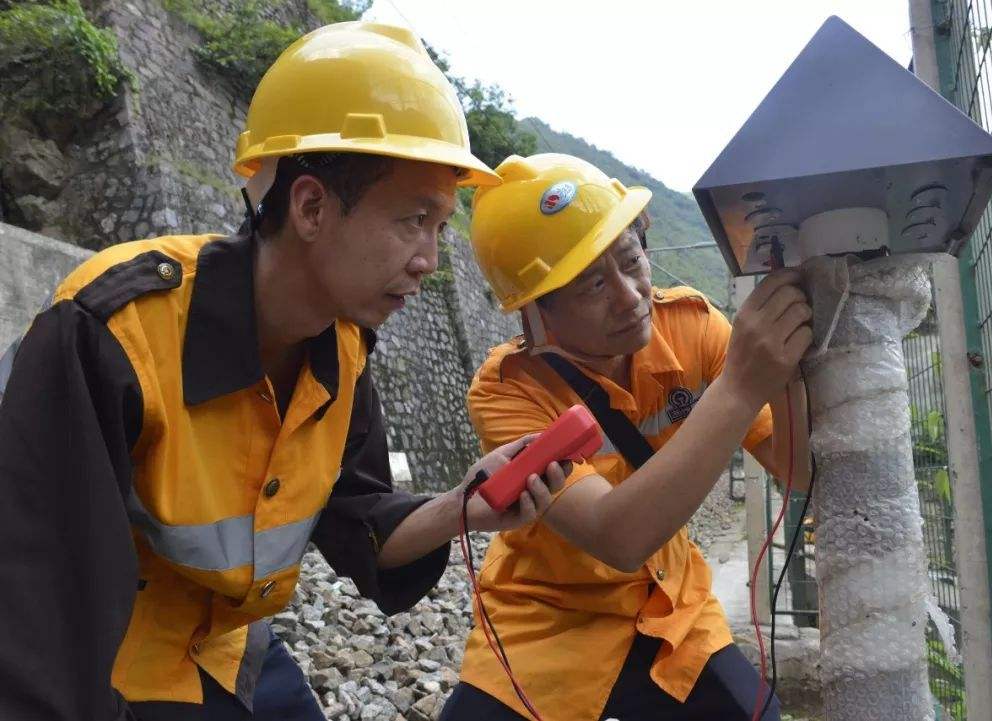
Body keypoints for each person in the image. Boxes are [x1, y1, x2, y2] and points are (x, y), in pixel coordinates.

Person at [0, 23, 565, 721]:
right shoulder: (115, 331)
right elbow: (43, 601)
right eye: (414, 220)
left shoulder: (344, 349)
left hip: (229, 648)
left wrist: (463, 506)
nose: (428, 258)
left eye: (440, 228)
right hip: (105, 656)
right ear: (310, 206)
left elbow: (358, 519)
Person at [439, 153, 812, 721]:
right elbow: (616, 536)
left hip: (674, 608)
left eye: (631, 258)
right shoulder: (508, 392)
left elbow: (797, 468)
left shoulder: (693, 327)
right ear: (536, 313)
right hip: (547, 622)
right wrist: (739, 386)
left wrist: (796, 371)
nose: (630, 295)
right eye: (592, 283)